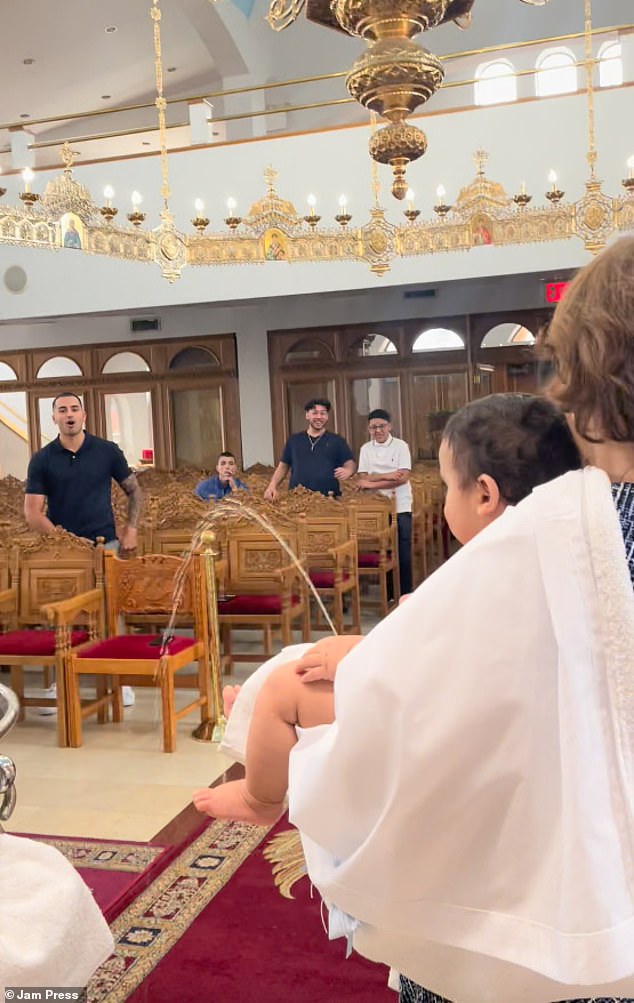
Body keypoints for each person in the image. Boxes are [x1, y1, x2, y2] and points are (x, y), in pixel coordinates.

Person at [193, 393, 581, 829]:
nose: (445, 496)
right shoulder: (537, 548)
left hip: (453, 718)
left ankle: (258, 796)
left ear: (485, 495)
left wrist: (367, 658)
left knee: (287, 688)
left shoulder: (502, 565)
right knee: (325, 648)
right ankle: (251, 703)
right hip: (451, 687)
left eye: (451, 486)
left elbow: (460, 658)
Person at [24, 391, 142, 709]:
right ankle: (59, 684)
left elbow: (134, 491)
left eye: (74, 408)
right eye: (62, 410)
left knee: (109, 612)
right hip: (63, 552)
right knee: (62, 616)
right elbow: (33, 512)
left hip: (106, 543)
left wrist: (130, 528)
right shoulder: (43, 458)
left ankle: (121, 681)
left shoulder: (106, 451)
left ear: (84, 415)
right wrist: (64, 541)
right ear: (54, 418)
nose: (69, 414)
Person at [357, 408, 413, 595]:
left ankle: (405, 593)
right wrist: (389, 475)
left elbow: (403, 477)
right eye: (373, 427)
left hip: (400, 506)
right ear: (369, 429)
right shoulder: (365, 449)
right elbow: (362, 477)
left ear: (389, 426)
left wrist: (372, 482)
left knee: (402, 551)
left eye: (381, 426)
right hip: (375, 508)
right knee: (383, 550)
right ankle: (389, 593)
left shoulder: (400, 446)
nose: (378, 430)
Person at [264, 398, 355, 499]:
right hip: (297, 498)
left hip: (329, 499)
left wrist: (348, 470)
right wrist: (272, 486)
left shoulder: (337, 441)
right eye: (315, 413)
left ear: (327, 416)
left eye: (323, 413)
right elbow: (283, 467)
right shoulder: (294, 440)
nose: (319, 417)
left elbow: (350, 463)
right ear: (307, 415)